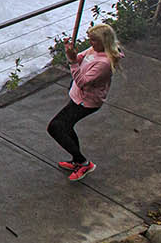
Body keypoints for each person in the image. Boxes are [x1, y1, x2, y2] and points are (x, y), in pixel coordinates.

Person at [47, 23, 121, 182]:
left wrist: (72, 63)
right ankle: (76, 160)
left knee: (55, 127)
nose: (91, 43)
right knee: (66, 126)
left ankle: (83, 163)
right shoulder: (95, 50)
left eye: (93, 40)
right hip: (79, 98)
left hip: (86, 102)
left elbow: (82, 81)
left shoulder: (104, 63)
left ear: (104, 41)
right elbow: (80, 58)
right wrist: (71, 54)